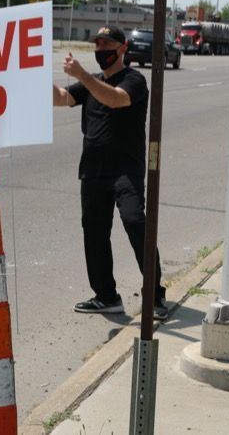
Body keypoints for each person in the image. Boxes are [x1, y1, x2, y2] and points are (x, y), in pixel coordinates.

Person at [52, 25, 167, 320]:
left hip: (124, 169)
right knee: (94, 231)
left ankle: (154, 294)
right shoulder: (91, 82)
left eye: (107, 46)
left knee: (134, 221)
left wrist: (83, 76)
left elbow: (116, 99)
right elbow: (62, 98)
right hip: (92, 169)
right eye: (97, 46)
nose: (101, 51)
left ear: (122, 48)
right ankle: (106, 296)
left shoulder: (134, 80)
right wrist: (34, 75)